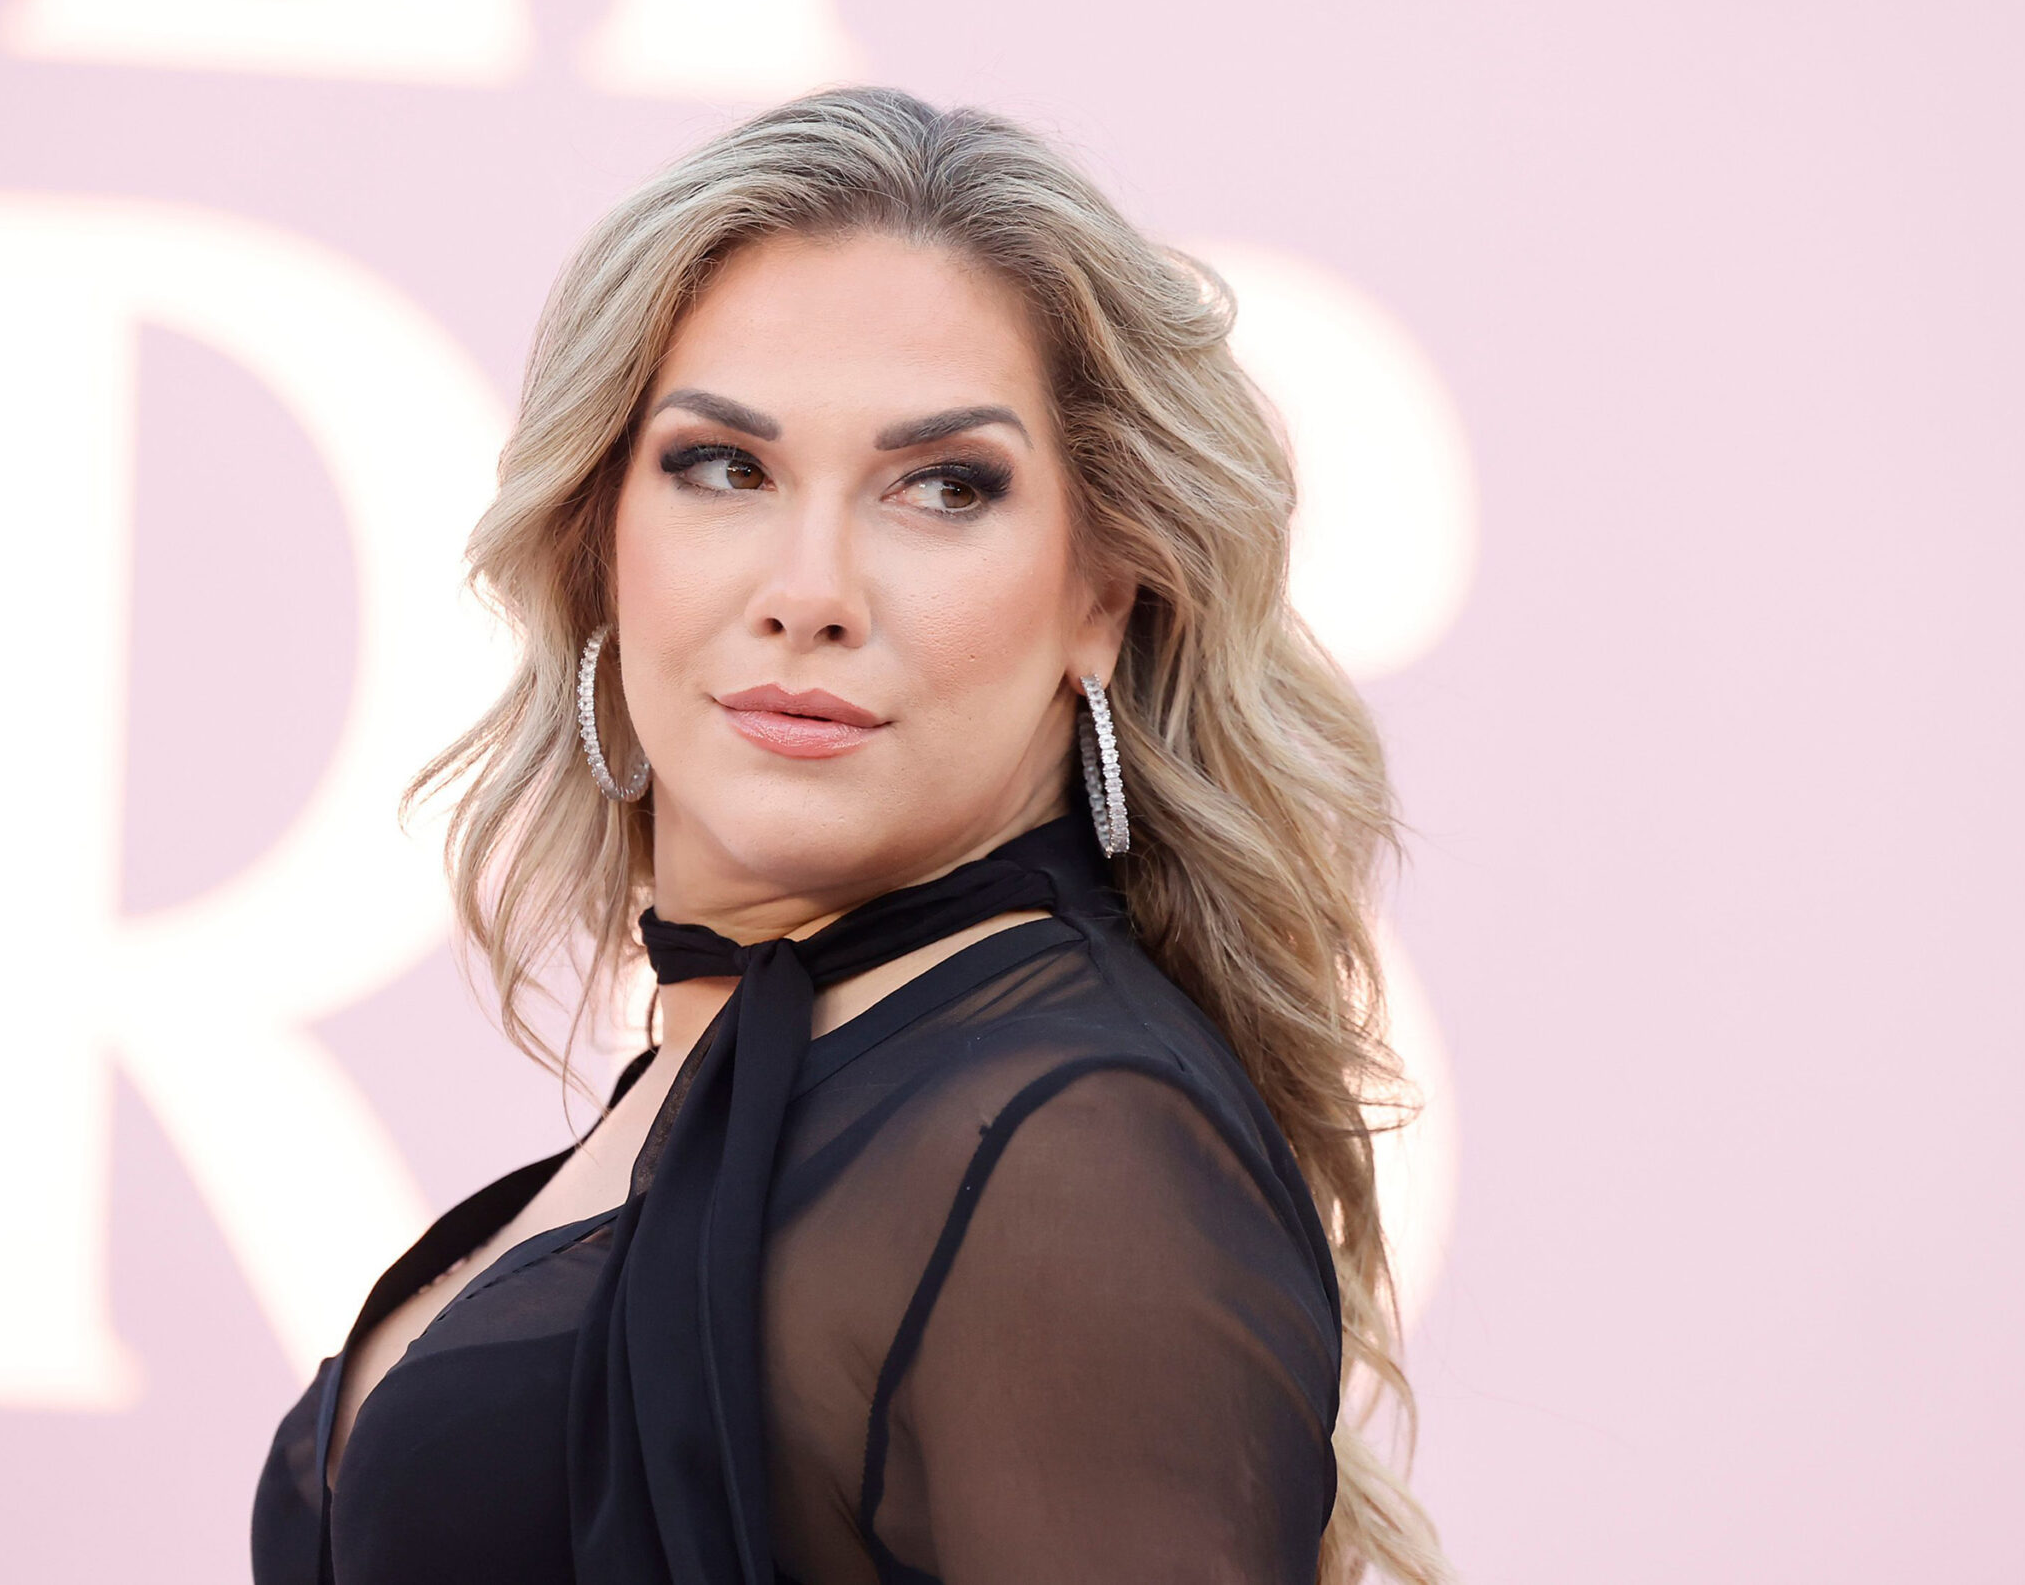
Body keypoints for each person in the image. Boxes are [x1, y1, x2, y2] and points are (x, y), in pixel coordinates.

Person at [251, 87, 1450, 1585]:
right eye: (724, 467)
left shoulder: (1061, 1147)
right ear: (598, 537)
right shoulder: (746, 1077)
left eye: (942, 488)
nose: (810, 588)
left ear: (1104, 593)